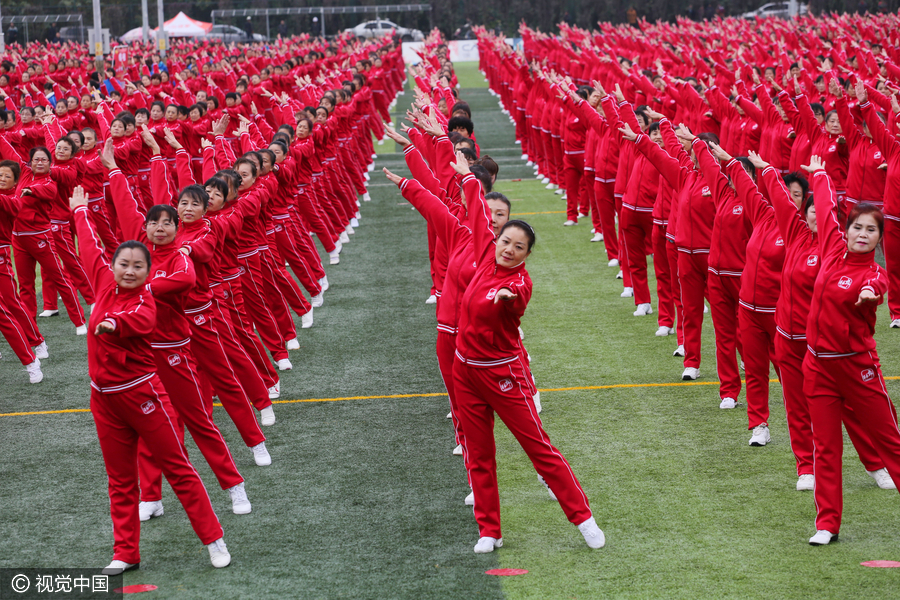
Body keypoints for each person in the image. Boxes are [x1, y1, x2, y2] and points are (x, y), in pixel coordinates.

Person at [447, 152, 604, 553]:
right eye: (505, 242)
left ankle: (582, 517)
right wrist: (466, 173)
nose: (509, 249)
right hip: (464, 371)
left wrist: (506, 294)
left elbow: (516, 301)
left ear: (527, 254)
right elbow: (477, 206)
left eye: (519, 247)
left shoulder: (521, 283)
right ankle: (489, 530)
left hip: (502, 374)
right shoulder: (485, 253)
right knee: (478, 454)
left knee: (538, 448)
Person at [69, 185, 231, 573]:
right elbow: (89, 246)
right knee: (120, 479)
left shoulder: (146, 300)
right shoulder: (104, 280)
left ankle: (214, 539)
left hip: (142, 396)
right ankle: (125, 553)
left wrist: (111, 323)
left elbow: (136, 321)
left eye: (137, 266)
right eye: (123, 263)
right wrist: (79, 211)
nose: (129, 270)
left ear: (147, 272)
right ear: (114, 266)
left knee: (177, 468)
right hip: (103, 400)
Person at [802, 156, 900, 546]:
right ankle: (827, 523)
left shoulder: (872, 272)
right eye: (857, 227)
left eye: (870, 230)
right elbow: (824, 209)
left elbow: (878, 287)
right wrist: (820, 174)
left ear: (879, 238)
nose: (862, 234)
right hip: (818, 367)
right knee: (825, 448)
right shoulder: (830, 249)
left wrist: (867, 294)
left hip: (858, 368)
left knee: (890, 443)